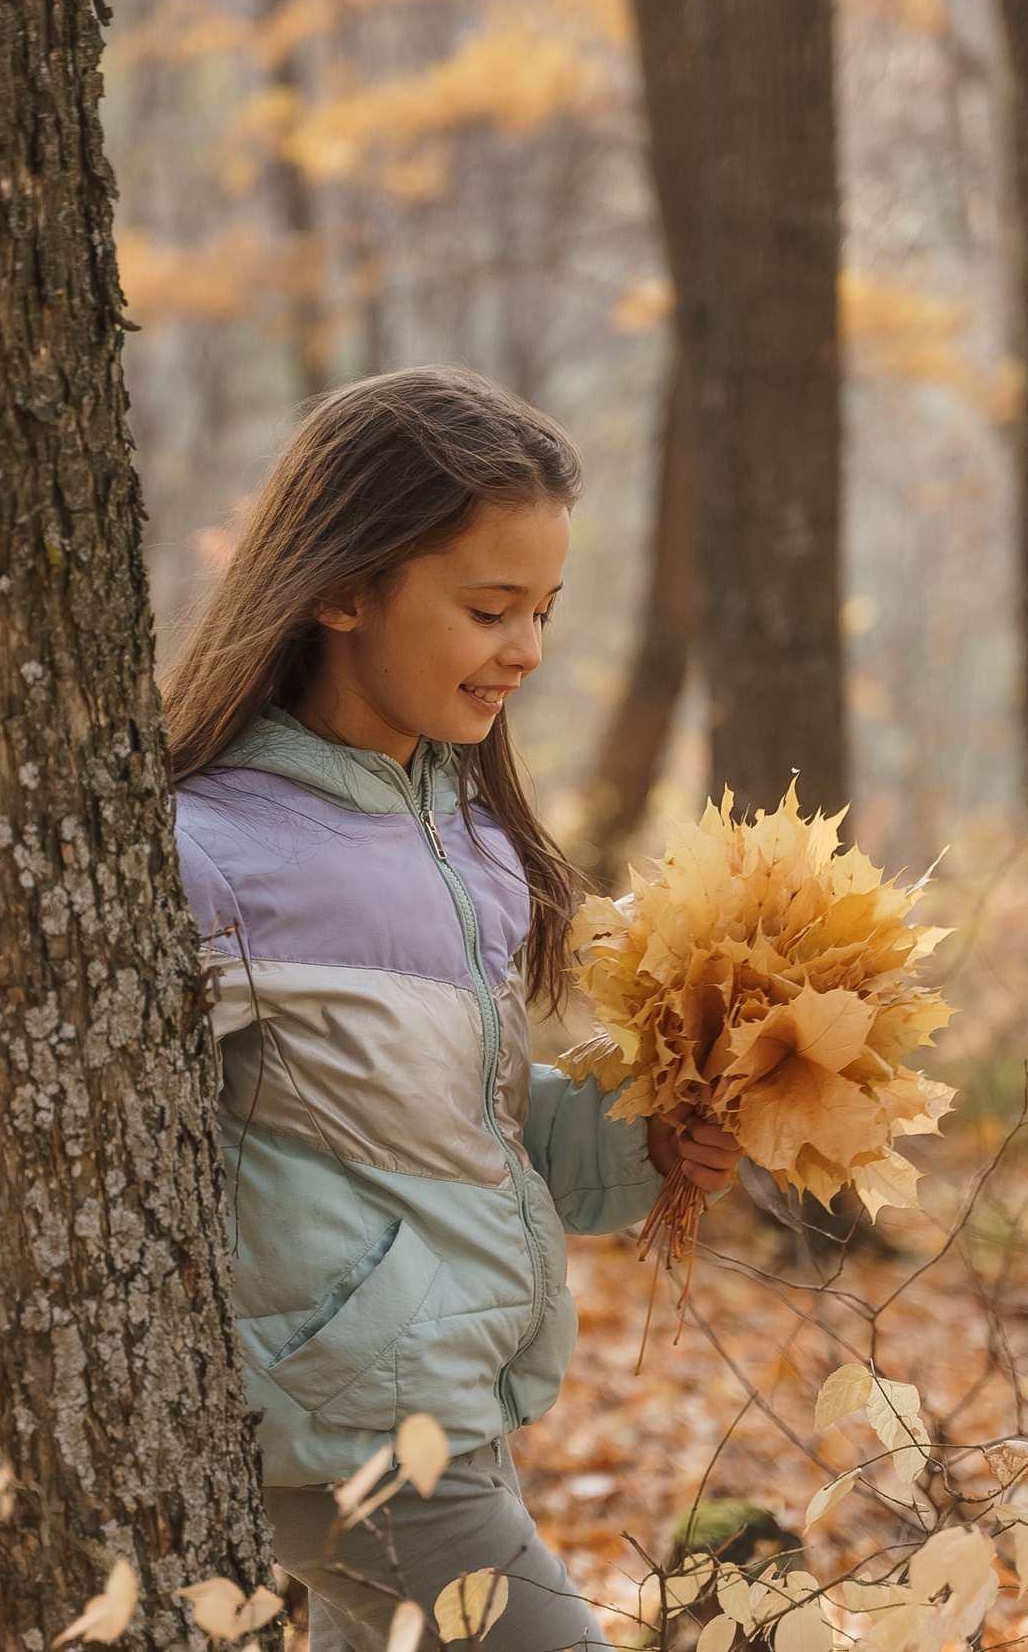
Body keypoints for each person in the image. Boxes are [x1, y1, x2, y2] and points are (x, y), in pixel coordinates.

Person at [163, 365, 743, 1652]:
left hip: (435, 1397)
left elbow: (464, 1117)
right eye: (490, 609)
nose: (526, 651)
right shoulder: (212, 853)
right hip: (351, 1423)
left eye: (542, 610)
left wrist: (633, 1141)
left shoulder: (467, 841)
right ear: (340, 587)